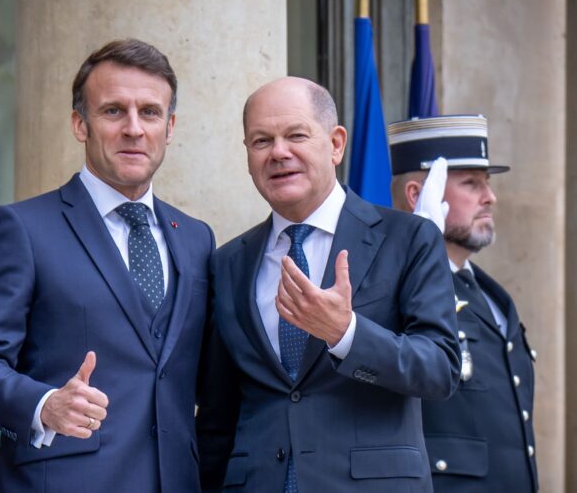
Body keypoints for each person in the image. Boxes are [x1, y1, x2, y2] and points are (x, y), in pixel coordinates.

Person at [0, 38, 215, 493]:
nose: (134, 128)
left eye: (150, 112)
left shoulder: (195, 238)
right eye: (114, 111)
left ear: (169, 128)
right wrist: (45, 404)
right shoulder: (21, 228)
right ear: (80, 124)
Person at [195, 77, 461, 492]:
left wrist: (346, 334)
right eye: (261, 141)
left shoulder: (408, 239)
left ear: (336, 143)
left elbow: (440, 370)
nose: (279, 152)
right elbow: (217, 414)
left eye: (296, 135)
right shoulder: (229, 262)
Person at [389, 114, 538, 492]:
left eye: (487, 183)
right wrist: (418, 251)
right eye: (471, 183)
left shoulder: (488, 293)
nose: (490, 197)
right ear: (416, 196)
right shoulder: (392, 287)